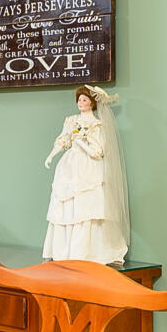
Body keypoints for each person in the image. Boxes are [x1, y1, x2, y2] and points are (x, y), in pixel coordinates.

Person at [42, 84, 130, 264]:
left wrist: (80, 140)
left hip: (88, 168)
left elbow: (97, 152)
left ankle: (86, 251)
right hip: (69, 166)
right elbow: (63, 139)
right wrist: (51, 155)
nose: (80, 103)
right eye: (79, 100)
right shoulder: (71, 120)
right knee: (66, 205)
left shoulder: (97, 125)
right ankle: (65, 251)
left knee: (87, 207)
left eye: (84, 99)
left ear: (92, 102)